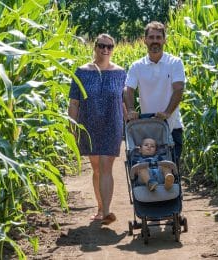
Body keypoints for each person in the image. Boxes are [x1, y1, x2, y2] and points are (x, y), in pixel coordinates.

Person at [68, 34, 126, 225]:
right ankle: (100, 209)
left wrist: (130, 121)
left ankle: (107, 211)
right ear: (95, 47)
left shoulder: (120, 72)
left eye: (109, 46)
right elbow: (74, 103)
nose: (105, 50)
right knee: (96, 168)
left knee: (106, 166)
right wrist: (72, 125)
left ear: (113, 49)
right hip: (89, 124)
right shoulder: (82, 72)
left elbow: (123, 101)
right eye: (102, 46)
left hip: (112, 123)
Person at [124, 21, 186, 167]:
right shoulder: (137, 66)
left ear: (164, 39)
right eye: (151, 37)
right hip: (149, 128)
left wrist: (167, 112)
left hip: (172, 126)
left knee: (172, 170)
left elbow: (178, 89)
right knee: (149, 169)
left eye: (158, 37)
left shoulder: (175, 62)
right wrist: (131, 109)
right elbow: (128, 89)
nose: (155, 41)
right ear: (145, 40)